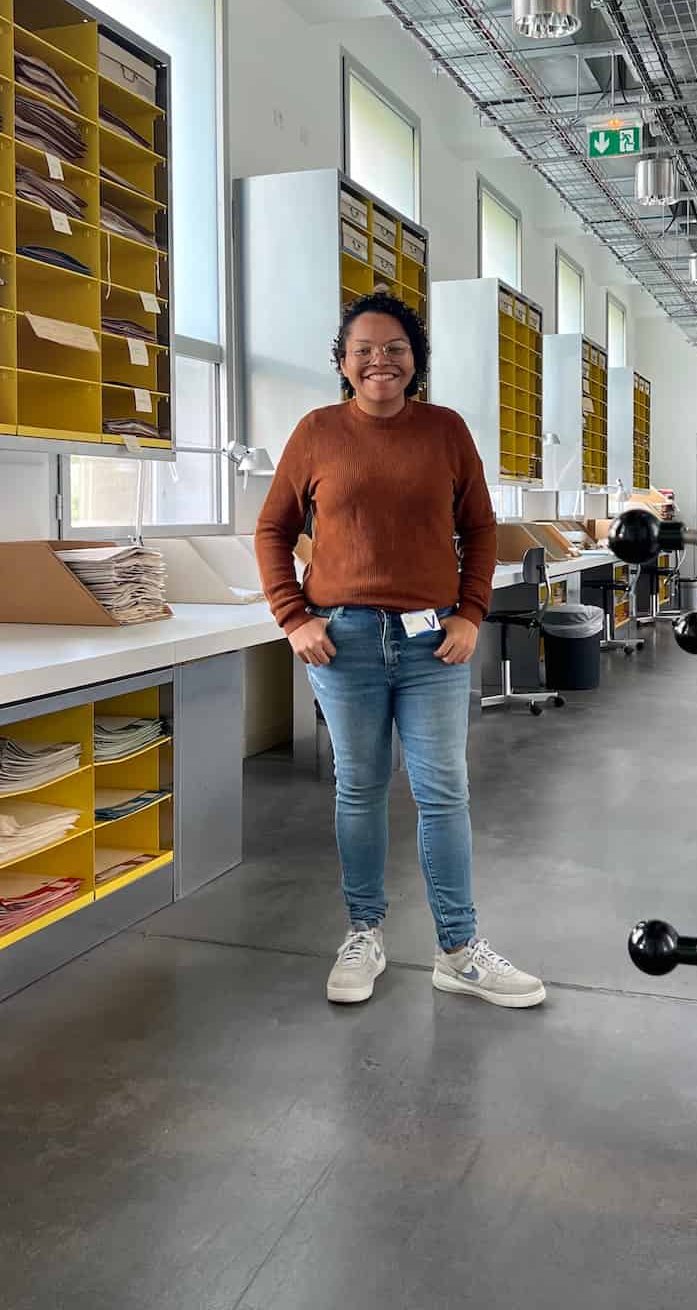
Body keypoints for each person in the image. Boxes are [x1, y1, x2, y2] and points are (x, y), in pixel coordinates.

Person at [254, 292, 545, 1010]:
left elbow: (481, 530)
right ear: (343, 362)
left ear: (415, 360)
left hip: (434, 641)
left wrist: (472, 613)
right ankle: (364, 933)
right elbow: (270, 530)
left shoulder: (445, 431)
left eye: (395, 349)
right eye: (365, 350)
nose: (380, 361)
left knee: (443, 791)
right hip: (343, 641)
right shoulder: (316, 432)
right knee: (359, 787)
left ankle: (457, 949)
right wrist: (294, 617)